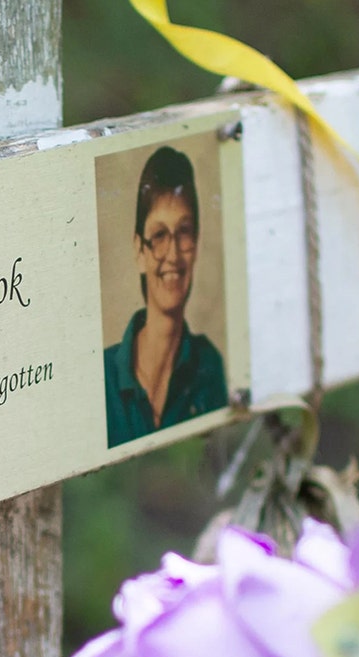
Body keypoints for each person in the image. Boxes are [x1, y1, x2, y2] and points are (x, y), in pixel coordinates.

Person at [104, 146, 228, 447]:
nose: (172, 255)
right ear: (139, 250)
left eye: (183, 232)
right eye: (159, 235)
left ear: (196, 243)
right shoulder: (104, 377)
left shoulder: (208, 366)